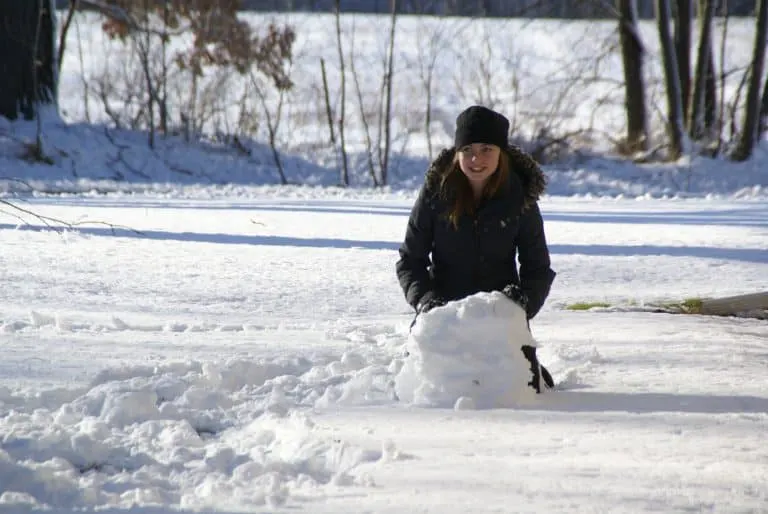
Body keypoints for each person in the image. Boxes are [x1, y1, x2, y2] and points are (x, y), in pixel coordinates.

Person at [395, 105, 557, 393]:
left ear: (501, 153)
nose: (476, 159)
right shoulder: (435, 192)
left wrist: (522, 304)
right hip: (442, 317)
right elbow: (410, 260)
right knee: (430, 393)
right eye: (467, 149)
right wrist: (425, 301)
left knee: (523, 392)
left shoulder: (520, 197)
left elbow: (537, 267)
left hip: (500, 317)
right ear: (457, 151)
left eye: (486, 149)